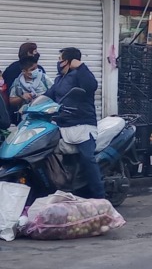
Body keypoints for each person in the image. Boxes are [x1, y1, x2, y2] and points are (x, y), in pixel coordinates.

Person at [45, 47, 104, 199]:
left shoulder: (80, 75)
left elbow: (91, 86)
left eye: (61, 60)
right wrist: (31, 103)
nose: (58, 63)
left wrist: (82, 67)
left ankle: (100, 198)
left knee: (87, 158)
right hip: (63, 125)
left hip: (83, 125)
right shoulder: (59, 80)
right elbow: (48, 96)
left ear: (70, 62)